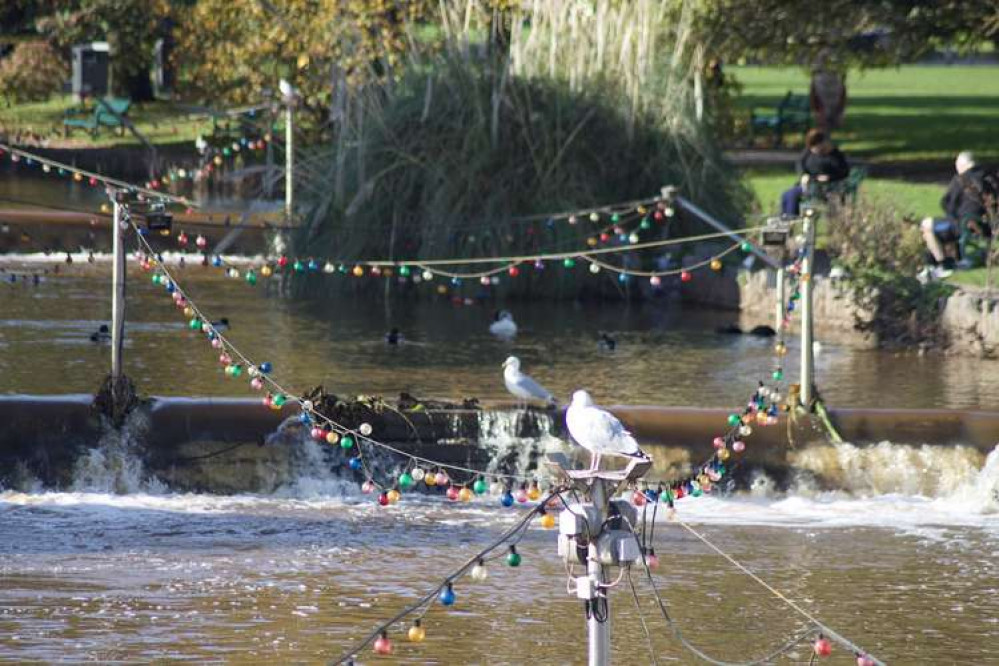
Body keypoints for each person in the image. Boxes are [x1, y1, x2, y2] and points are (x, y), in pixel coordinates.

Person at [920, 151, 995, 280]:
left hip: (963, 225)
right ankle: (952, 258)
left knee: (926, 225)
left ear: (962, 165)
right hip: (987, 227)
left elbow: (946, 204)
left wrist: (953, 214)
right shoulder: (992, 178)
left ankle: (943, 265)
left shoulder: (960, 180)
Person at [780, 129, 850, 217]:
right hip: (808, 184)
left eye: (816, 146)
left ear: (823, 143)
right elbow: (800, 163)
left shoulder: (836, 156)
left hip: (826, 188)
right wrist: (803, 175)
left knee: (793, 196)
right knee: (787, 194)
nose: (814, 150)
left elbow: (844, 172)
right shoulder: (808, 152)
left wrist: (829, 178)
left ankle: (791, 219)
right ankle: (786, 220)